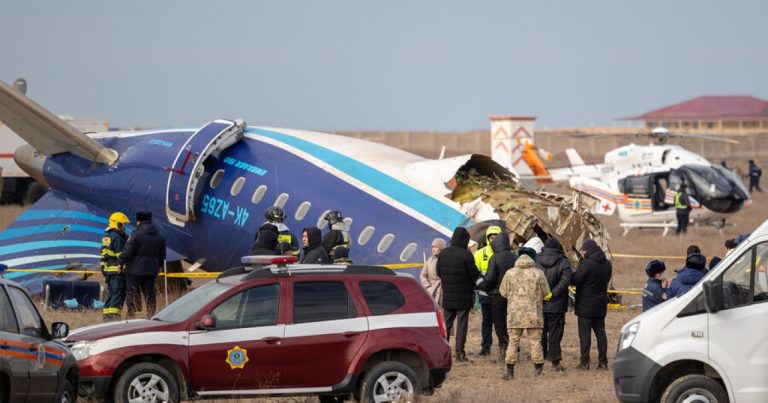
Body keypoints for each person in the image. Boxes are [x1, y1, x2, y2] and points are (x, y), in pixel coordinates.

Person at [499, 254, 551, 379]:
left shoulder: (509, 273)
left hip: (514, 314)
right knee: (535, 342)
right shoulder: (538, 273)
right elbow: (547, 293)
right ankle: (538, 372)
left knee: (513, 342)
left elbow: (503, 292)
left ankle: (510, 372)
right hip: (534, 314)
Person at [436, 226, 481, 363]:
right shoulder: (466, 255)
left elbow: (438, 273)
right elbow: (473, 275)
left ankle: (443, 354)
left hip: (448, 296)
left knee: (447, 325)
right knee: (462, 325)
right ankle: (460, 353)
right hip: (463, 296)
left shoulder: (443, 253)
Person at [572, 239, 612, 370]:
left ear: (588, 251)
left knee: (585, 336)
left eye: (584, 251)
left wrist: (573, 272)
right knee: (601, 334)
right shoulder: (607, 264)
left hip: (586, 305)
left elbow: (576, 280)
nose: (583, 253)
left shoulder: (586, 264)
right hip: (600, 304)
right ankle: (603, 362)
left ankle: (584, 363)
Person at [119, 211, 166, 319]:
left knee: (133, 293)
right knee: (150, 294)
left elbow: (127, 251)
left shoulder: (135, 234)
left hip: (134, 271)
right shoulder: (159, 236)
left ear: (138, 221)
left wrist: (120, 262)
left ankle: (133, 316)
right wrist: (157, 266)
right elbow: (162, 256)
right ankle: (151, 315)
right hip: (151, 271)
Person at [479, 232, 517, 361]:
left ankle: (504, 348)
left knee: (499, 323)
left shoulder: (495, 258)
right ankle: (514, 348)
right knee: (511, 323)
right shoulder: (514, 256)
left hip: (497, 296)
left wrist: (482, 286)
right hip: (513, 296)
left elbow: (489, 279)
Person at [537, 237, 572, 371]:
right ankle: (555, 361)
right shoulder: (564, 262)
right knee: (555, 333)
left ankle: (540, 357)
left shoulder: (536, 260)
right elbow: (565, 281)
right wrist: (552, 294)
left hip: (539, 303)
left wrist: (542, 294)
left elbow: (533, 279)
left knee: (541, 332)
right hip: (557, 305)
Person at [472, 225, 502, 356]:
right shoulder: (479, 253)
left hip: (500, 294)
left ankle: (504, 345)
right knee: (486, 322)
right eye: (491, 238)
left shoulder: (503, 254)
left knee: (501, 321)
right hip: (484, 294)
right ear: (487, 238)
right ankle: (486, 347)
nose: (493, 240)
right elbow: (475, 272)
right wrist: (482, 284)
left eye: (496, 238)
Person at [101, 212, 130, 321]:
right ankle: (114, 319)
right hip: (117, 272)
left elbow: (103, 257)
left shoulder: (106, 237)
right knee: (118, 295)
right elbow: (120, 256)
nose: (124, 227)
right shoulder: (117, 238)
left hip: (108, 272)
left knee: (111, 295)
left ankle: (106, 317)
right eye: (123, 224)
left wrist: (104, 272)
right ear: (117, 224)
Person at [420, 238, 447, 305]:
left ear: (441, 248)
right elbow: (422, 275)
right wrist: (428, 287)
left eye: (435, 247)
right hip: (432, 292)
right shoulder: (429, 260)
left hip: (445, 292)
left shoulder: (447, 259)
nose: (433, 249)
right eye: (432, 247)